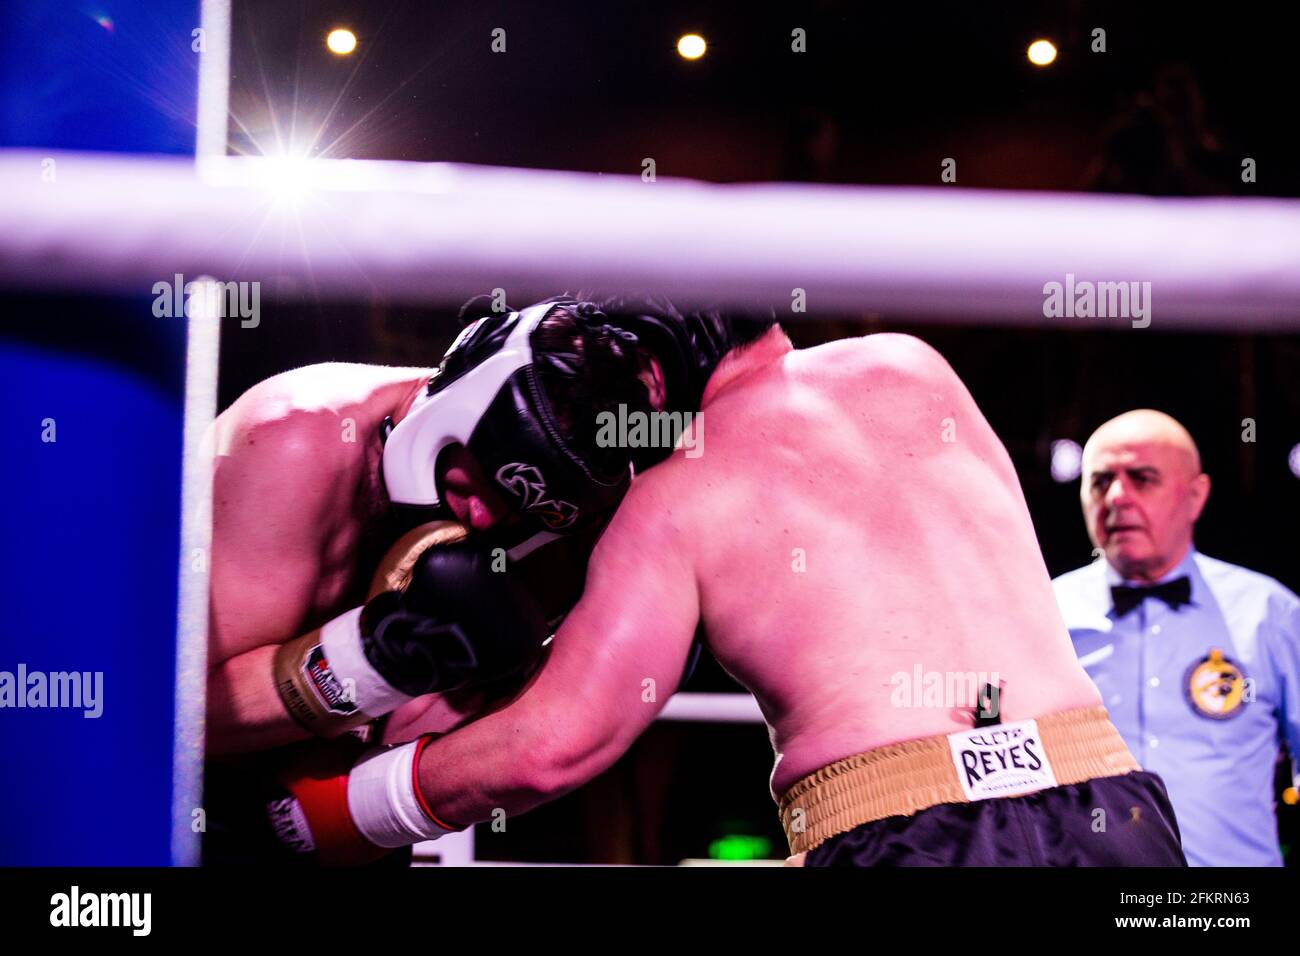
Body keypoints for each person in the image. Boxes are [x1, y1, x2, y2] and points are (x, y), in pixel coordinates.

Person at [267, 320, 1188, 867]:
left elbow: (553, 747)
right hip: (1112, 803)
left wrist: (317, 817)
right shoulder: (914, 366)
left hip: (915, 834)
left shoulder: (676, 490)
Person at [1053, 409, 1300, 866]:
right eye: (1101, 481)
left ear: (1195, 496)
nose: (1118, 497)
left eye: (1142, 478)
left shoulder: (1270, 614)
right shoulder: (1044, 616)